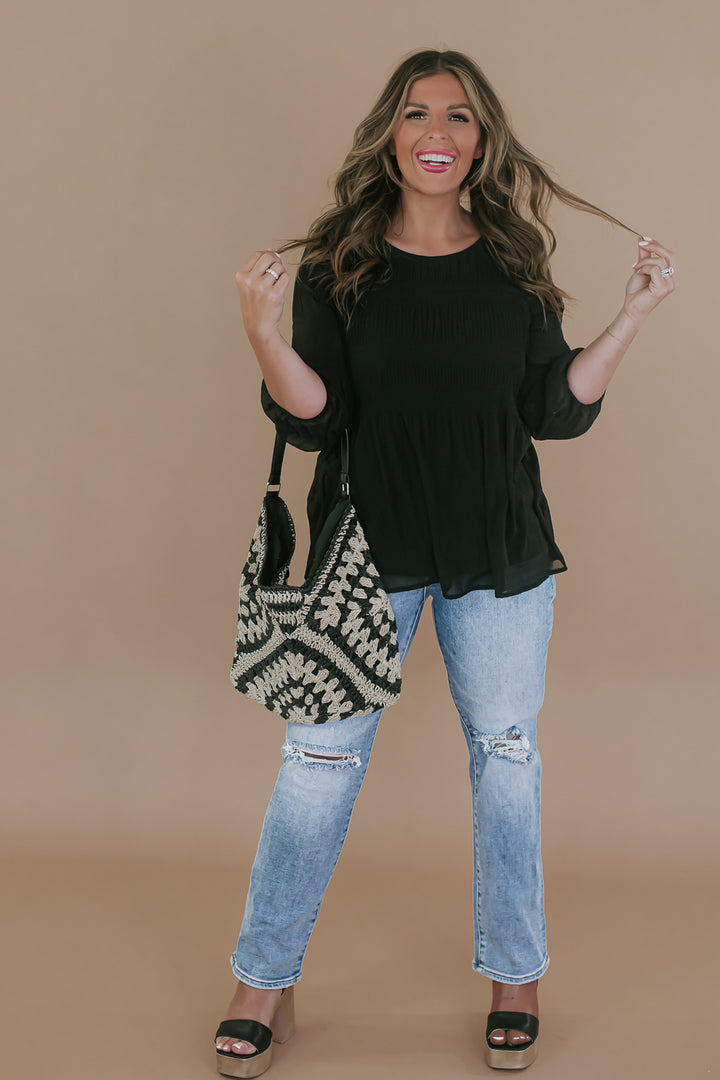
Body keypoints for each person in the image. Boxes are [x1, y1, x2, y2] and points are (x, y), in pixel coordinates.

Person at [217, 48, 676, 1075]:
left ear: (481, 141)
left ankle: (517, 974)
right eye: (418, 112)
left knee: (507, 759)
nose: (438, 131)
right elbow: (318, 418)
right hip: (364, 550)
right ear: (391, 134)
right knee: (317, 764)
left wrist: (634, 314)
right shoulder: (340, 262)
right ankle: (263, 980)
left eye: (459, 115)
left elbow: (552, 408)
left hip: (498, 546)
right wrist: (263, 336)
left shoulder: (513, 260)